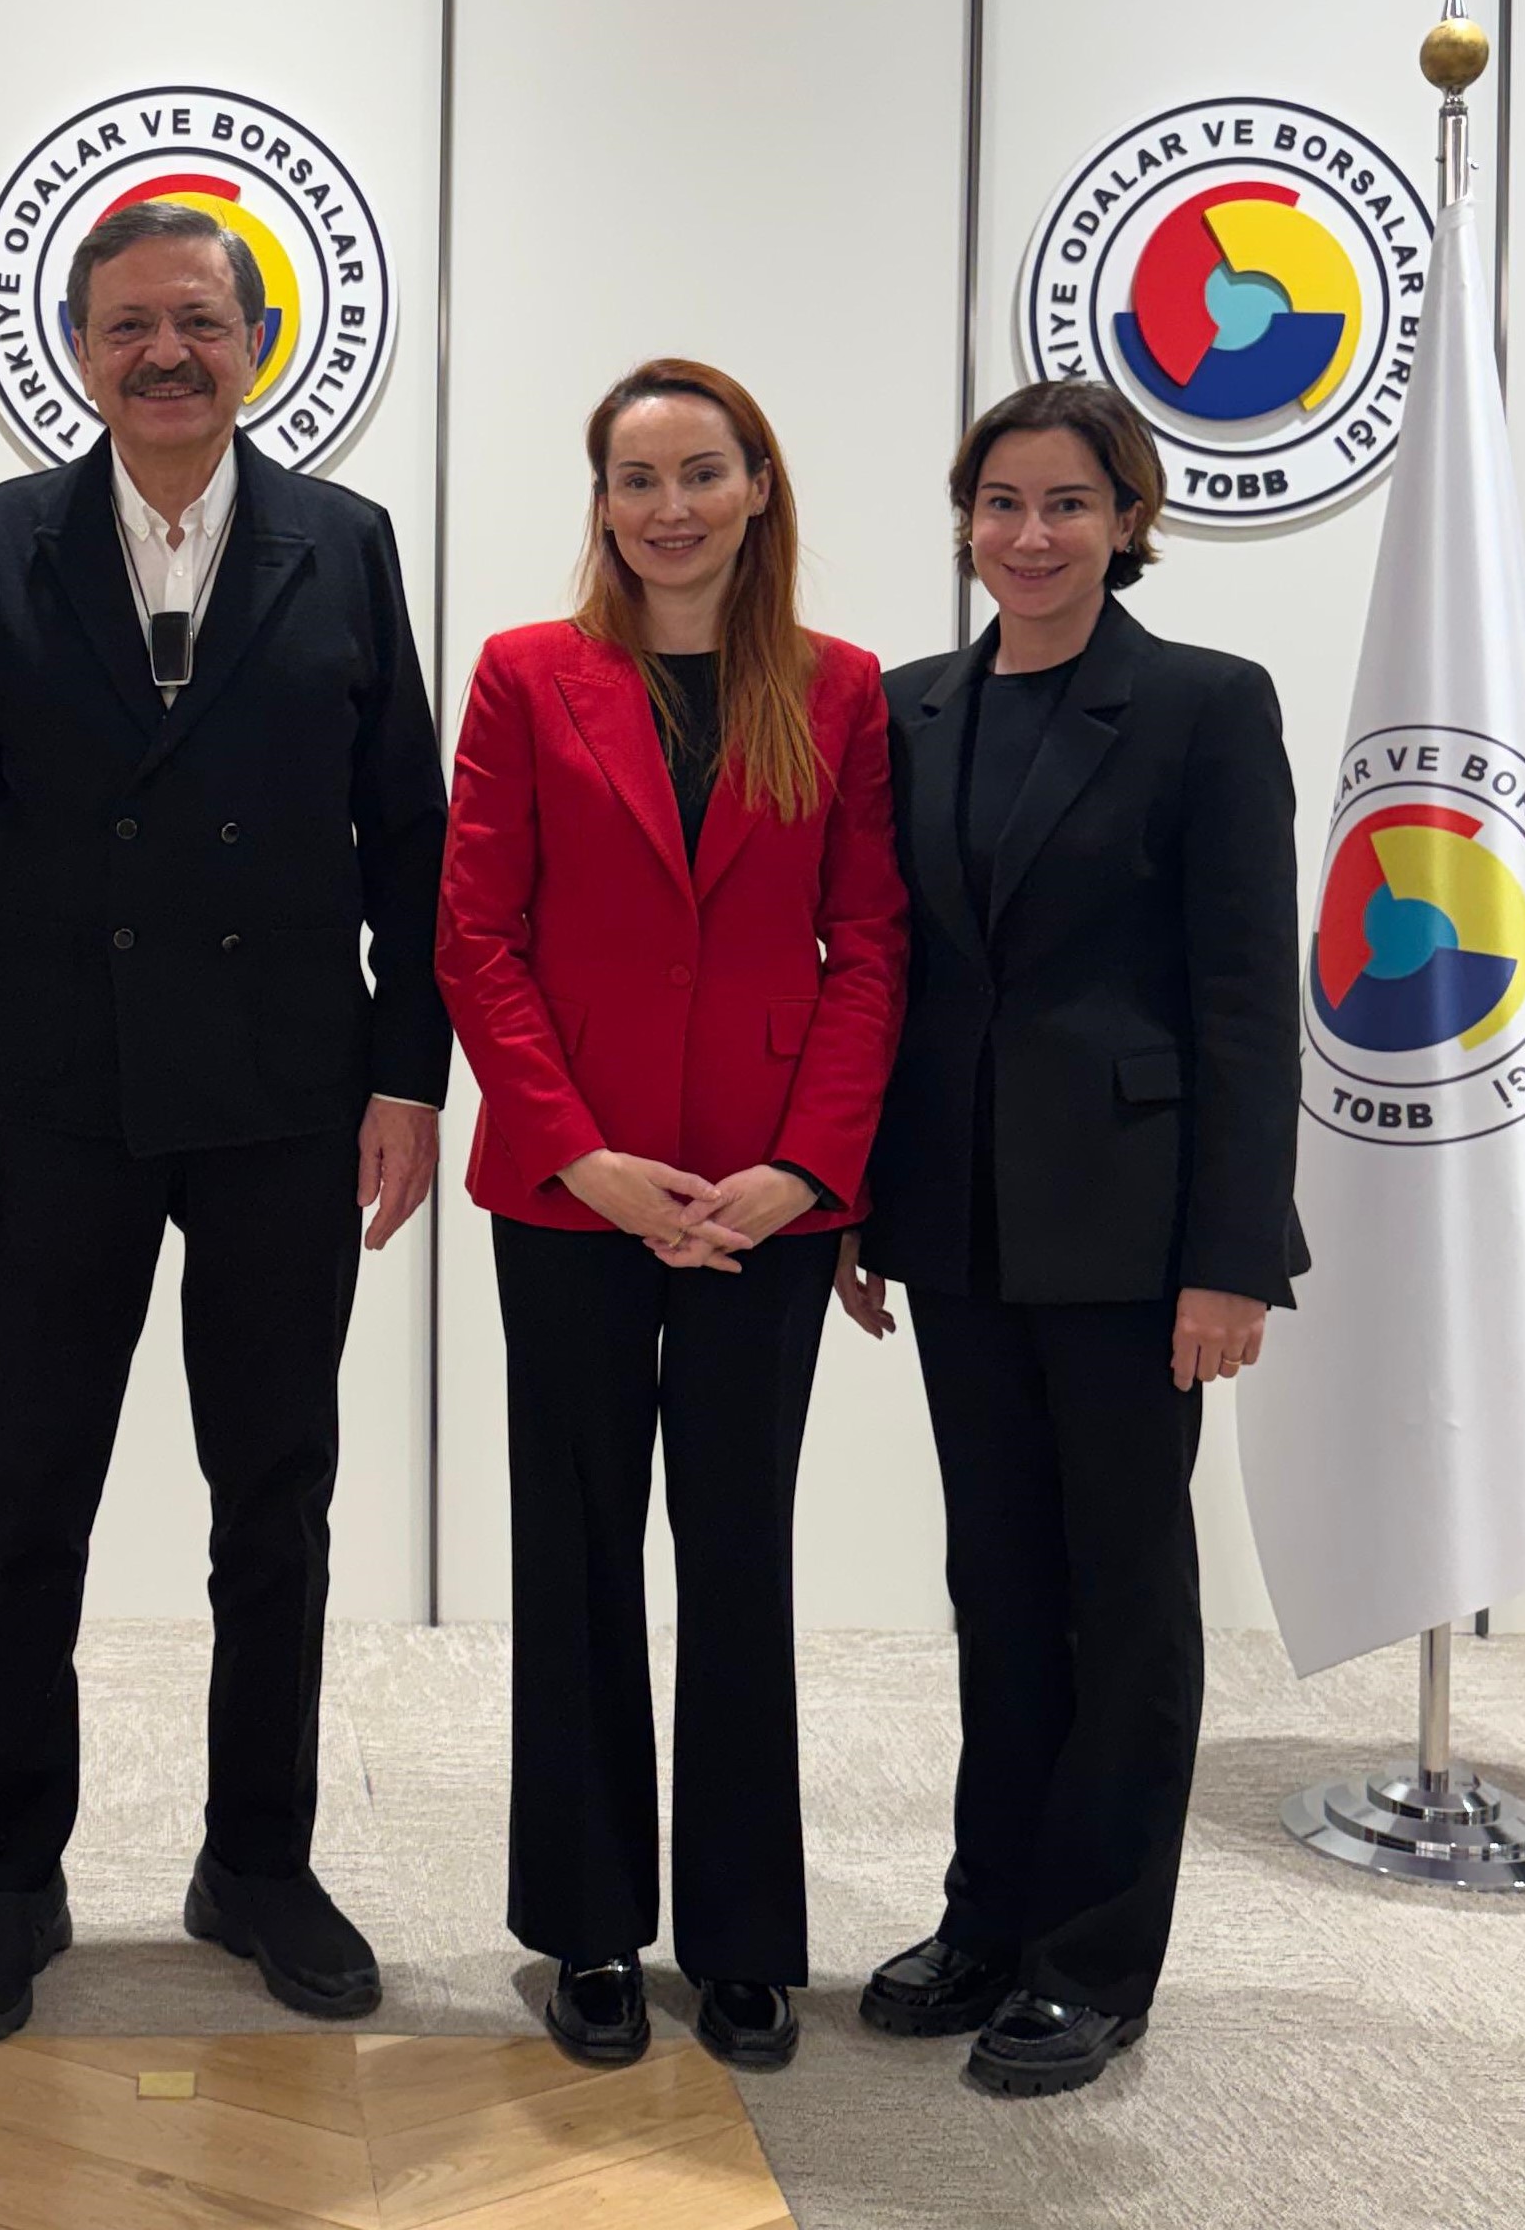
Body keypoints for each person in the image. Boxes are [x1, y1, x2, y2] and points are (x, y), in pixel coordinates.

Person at [0, 200, 450, 2041]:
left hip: (286, 1095)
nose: (165, 355)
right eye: (128, 323)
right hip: (54, 1095)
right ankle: (10, 1873)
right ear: (79, 349)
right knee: (28, 1497)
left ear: (253, 343)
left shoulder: (344, 542)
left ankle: (258, 1862)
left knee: (273, 1500)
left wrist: (407, 1072)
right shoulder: (2, 539)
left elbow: (410, 831)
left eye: (199, 322)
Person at [435, 360, 905, 2074]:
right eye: (637, 479)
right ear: (603, 503)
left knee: (737, 1551)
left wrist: (808, 1172)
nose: (670, 508)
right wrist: (582, 1157)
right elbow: (475, 936)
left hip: (767, 1202)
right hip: (577, 1195)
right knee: (575, 1553)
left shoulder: (840, 690)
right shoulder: (525, 673)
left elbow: (873, 947)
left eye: (702, 472)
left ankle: (746, 1939)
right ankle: (588, 1926)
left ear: (758, 485)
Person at [844, 379, 1303, 2098]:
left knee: (1126, 1600)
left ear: (1128, 521)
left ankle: (1095, 1959)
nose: (1029, 536)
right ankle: (988, 1918)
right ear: (965, 520)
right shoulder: (909, 707)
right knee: (998, 1583)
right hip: (957, 1219)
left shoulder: (1203, 705)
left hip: (1133, 1230)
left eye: (1066, 505)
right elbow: (887, 975)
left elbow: (1248, 1000)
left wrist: (1232, 1255)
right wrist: (859, 1202)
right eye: (1001, 504)